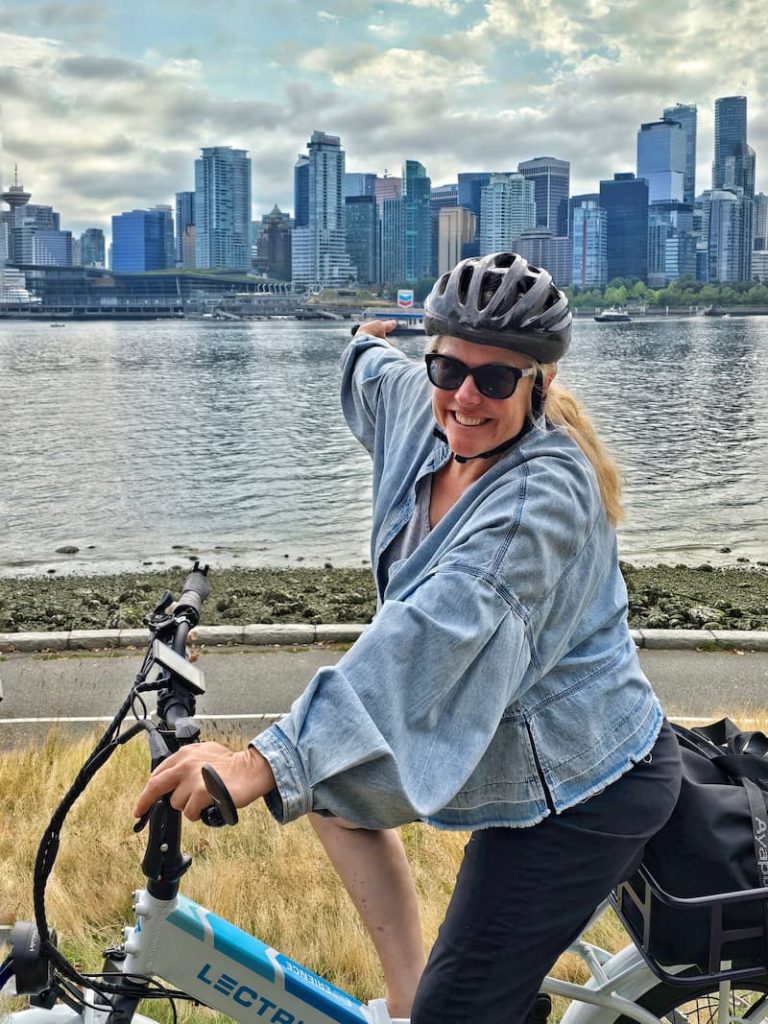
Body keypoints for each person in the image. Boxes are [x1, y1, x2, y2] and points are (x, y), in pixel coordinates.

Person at [135, 252, 682, 1024]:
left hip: (580, 782)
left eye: (495, 381)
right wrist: (362, 337)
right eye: (447, 367)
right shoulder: (423, 410)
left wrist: (263, 760)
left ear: (541, 384)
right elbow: (369, 374)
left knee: (455, 1010)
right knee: (335, 780)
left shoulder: (540, 500)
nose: (464, 396)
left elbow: (433, 636)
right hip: (496, 730)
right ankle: (404, 996)